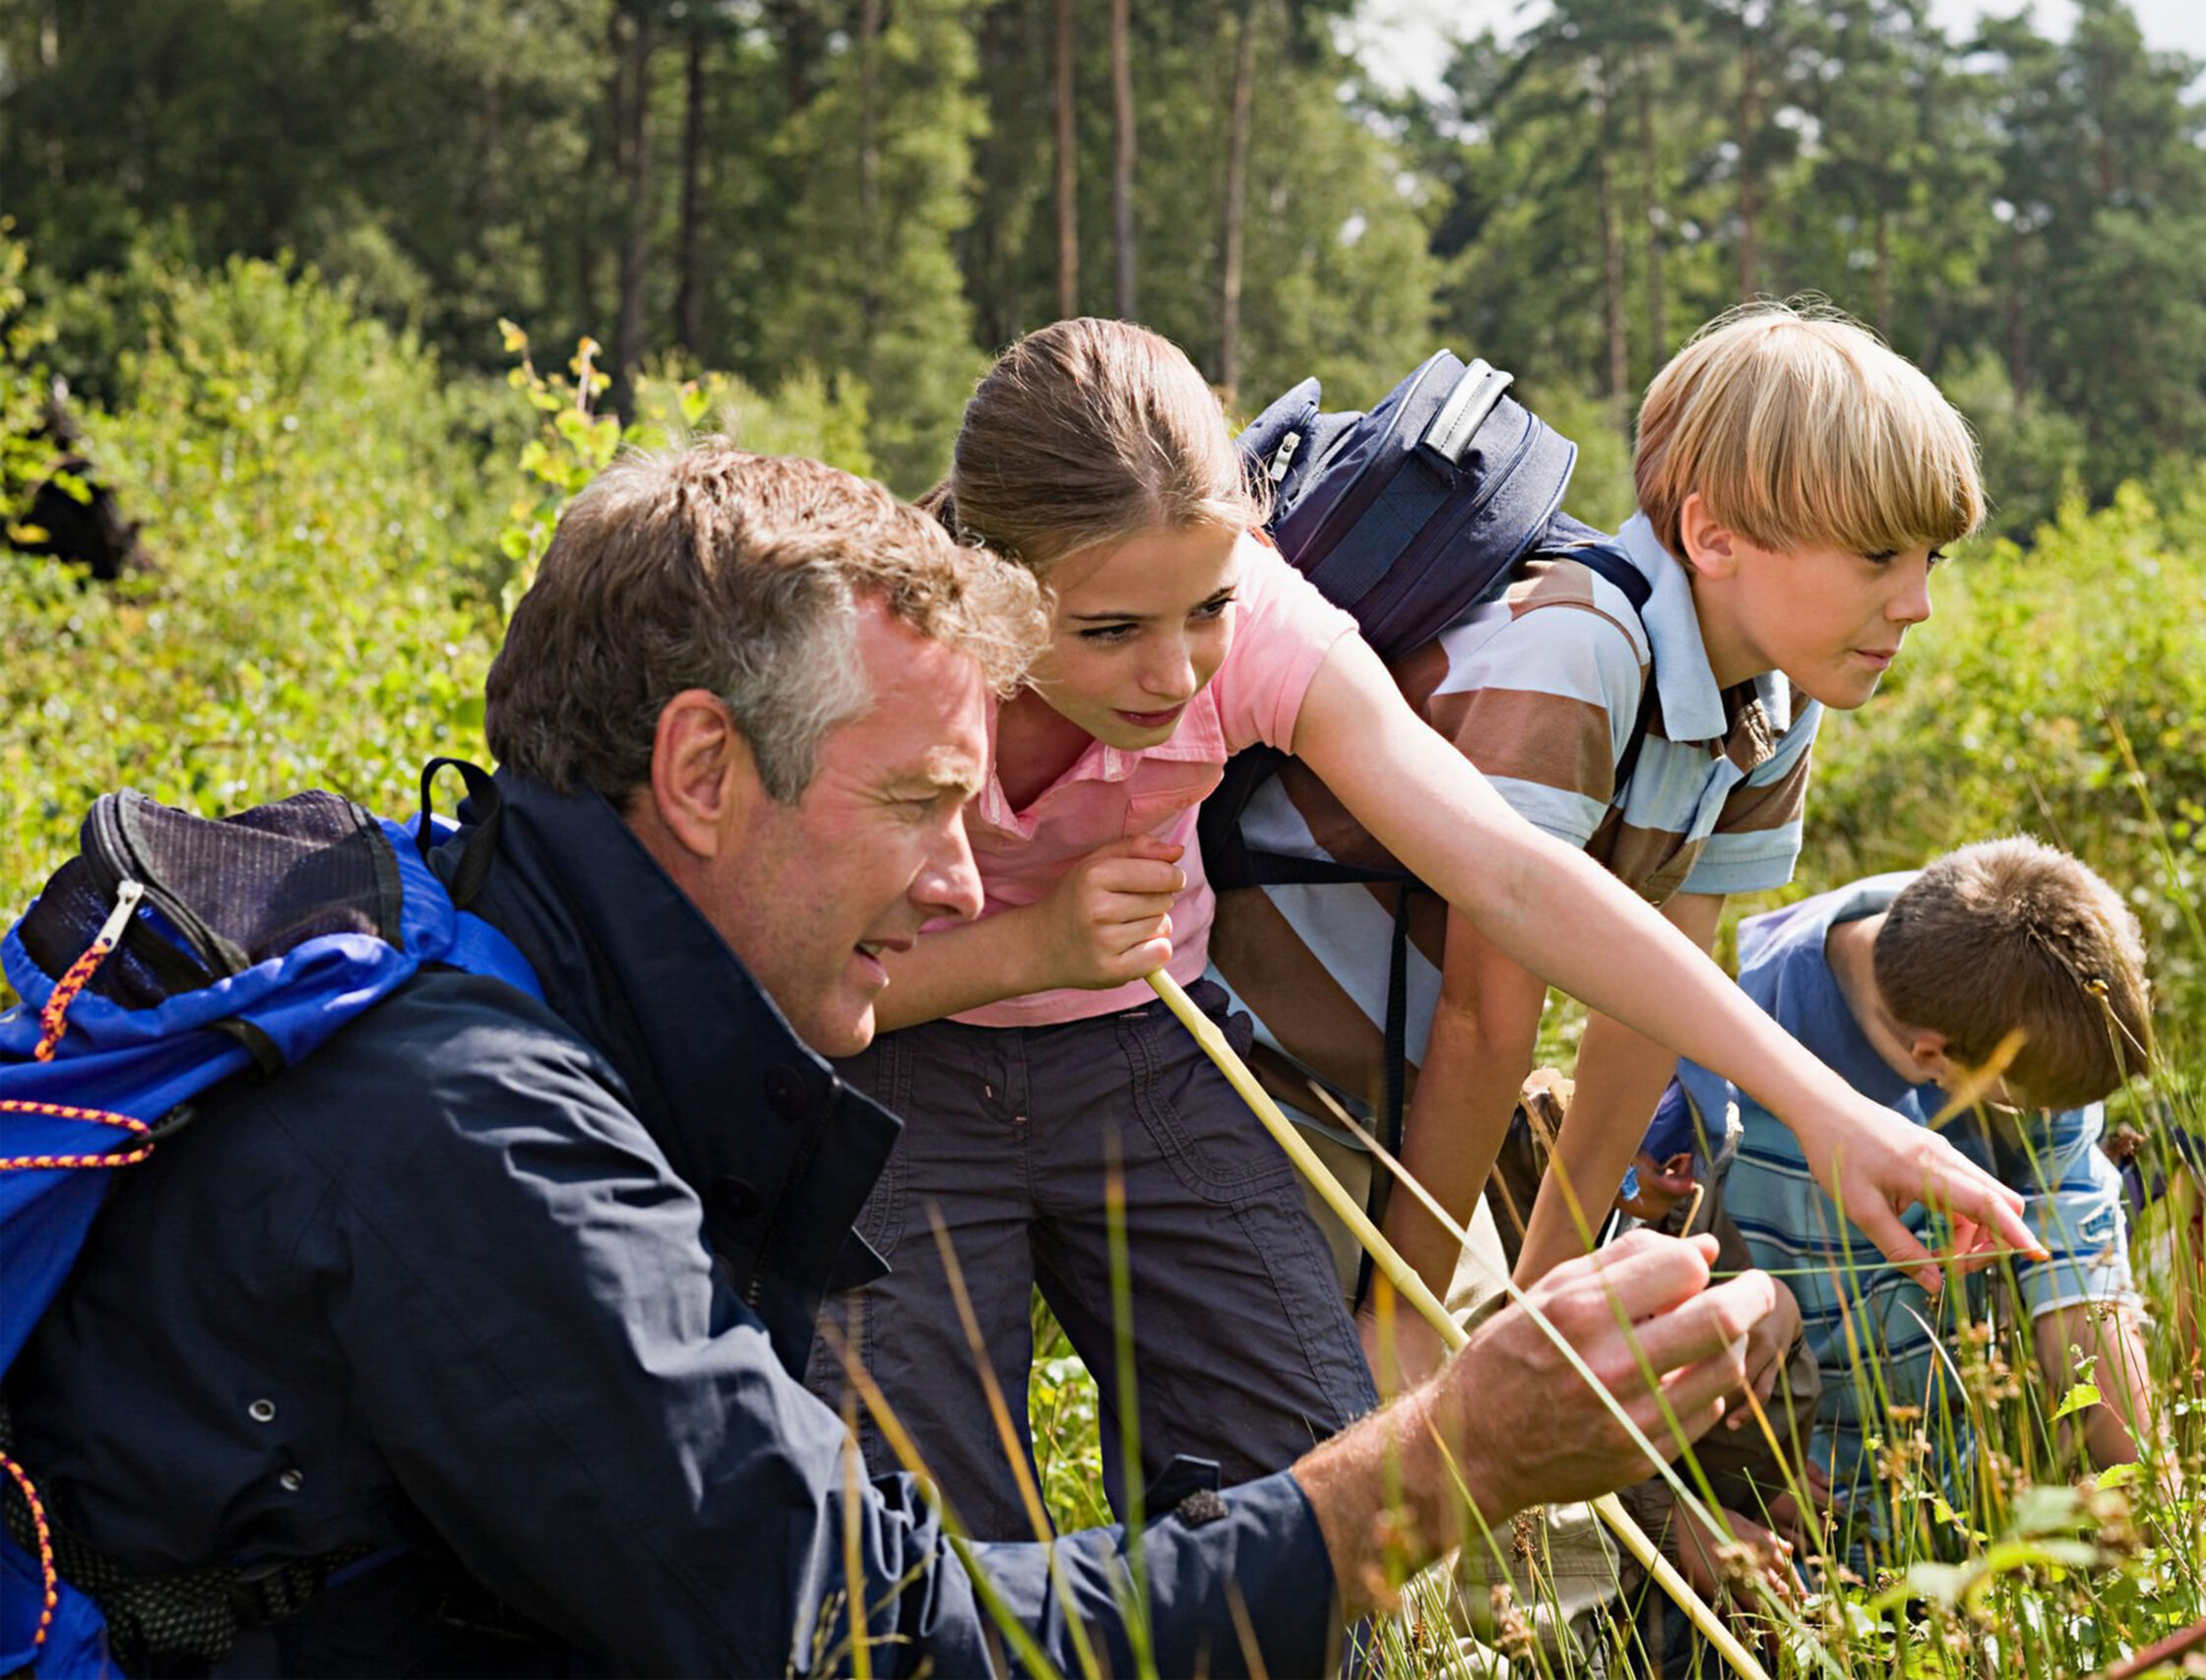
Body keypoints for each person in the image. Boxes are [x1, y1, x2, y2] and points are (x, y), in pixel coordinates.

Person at [1, 446, 1788, 1675]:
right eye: (924, 803)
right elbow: (870, 1640)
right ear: (703, 772)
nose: (958, 877)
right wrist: (1440, 1459)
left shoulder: (482, 934)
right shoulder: (479, 1136)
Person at [823, 316, 2043, 1544]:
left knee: (1318, 1479)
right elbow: (775, 978)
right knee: (918, 1517)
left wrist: (1834, 1116)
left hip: (1146, 1047)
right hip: (906, 1060)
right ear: (985, 585)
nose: (1176, 675)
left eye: (1205, 609)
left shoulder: (1260, 629)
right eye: (1109, 634)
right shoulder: (880, 668)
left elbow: (1515, 877)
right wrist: (1028, 952)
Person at [1208, 302, 1986, 1401]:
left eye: (1928, 559)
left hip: (1395, 1096)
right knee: (1356, 1440)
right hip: (1264, 1076)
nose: (1913, 603)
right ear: (1715, 538)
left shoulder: (1767, 702)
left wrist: (1545, 1291)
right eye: (1875, 557)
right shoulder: (1577, 647)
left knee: (1505, 1438)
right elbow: (1487, 1017)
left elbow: (1646, 1013)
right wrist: (1406, 1316)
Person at [1642, 836, 2159, 1558]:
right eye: (2021, 1106)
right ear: (1933, 1058)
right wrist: (1682, 1507)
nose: (2048, 1123)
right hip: (1793, 1522)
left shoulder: (2017, 988)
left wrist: (2160, 1515)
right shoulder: (1719, 1078)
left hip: (1976, 1502)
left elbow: (2080, 1290)